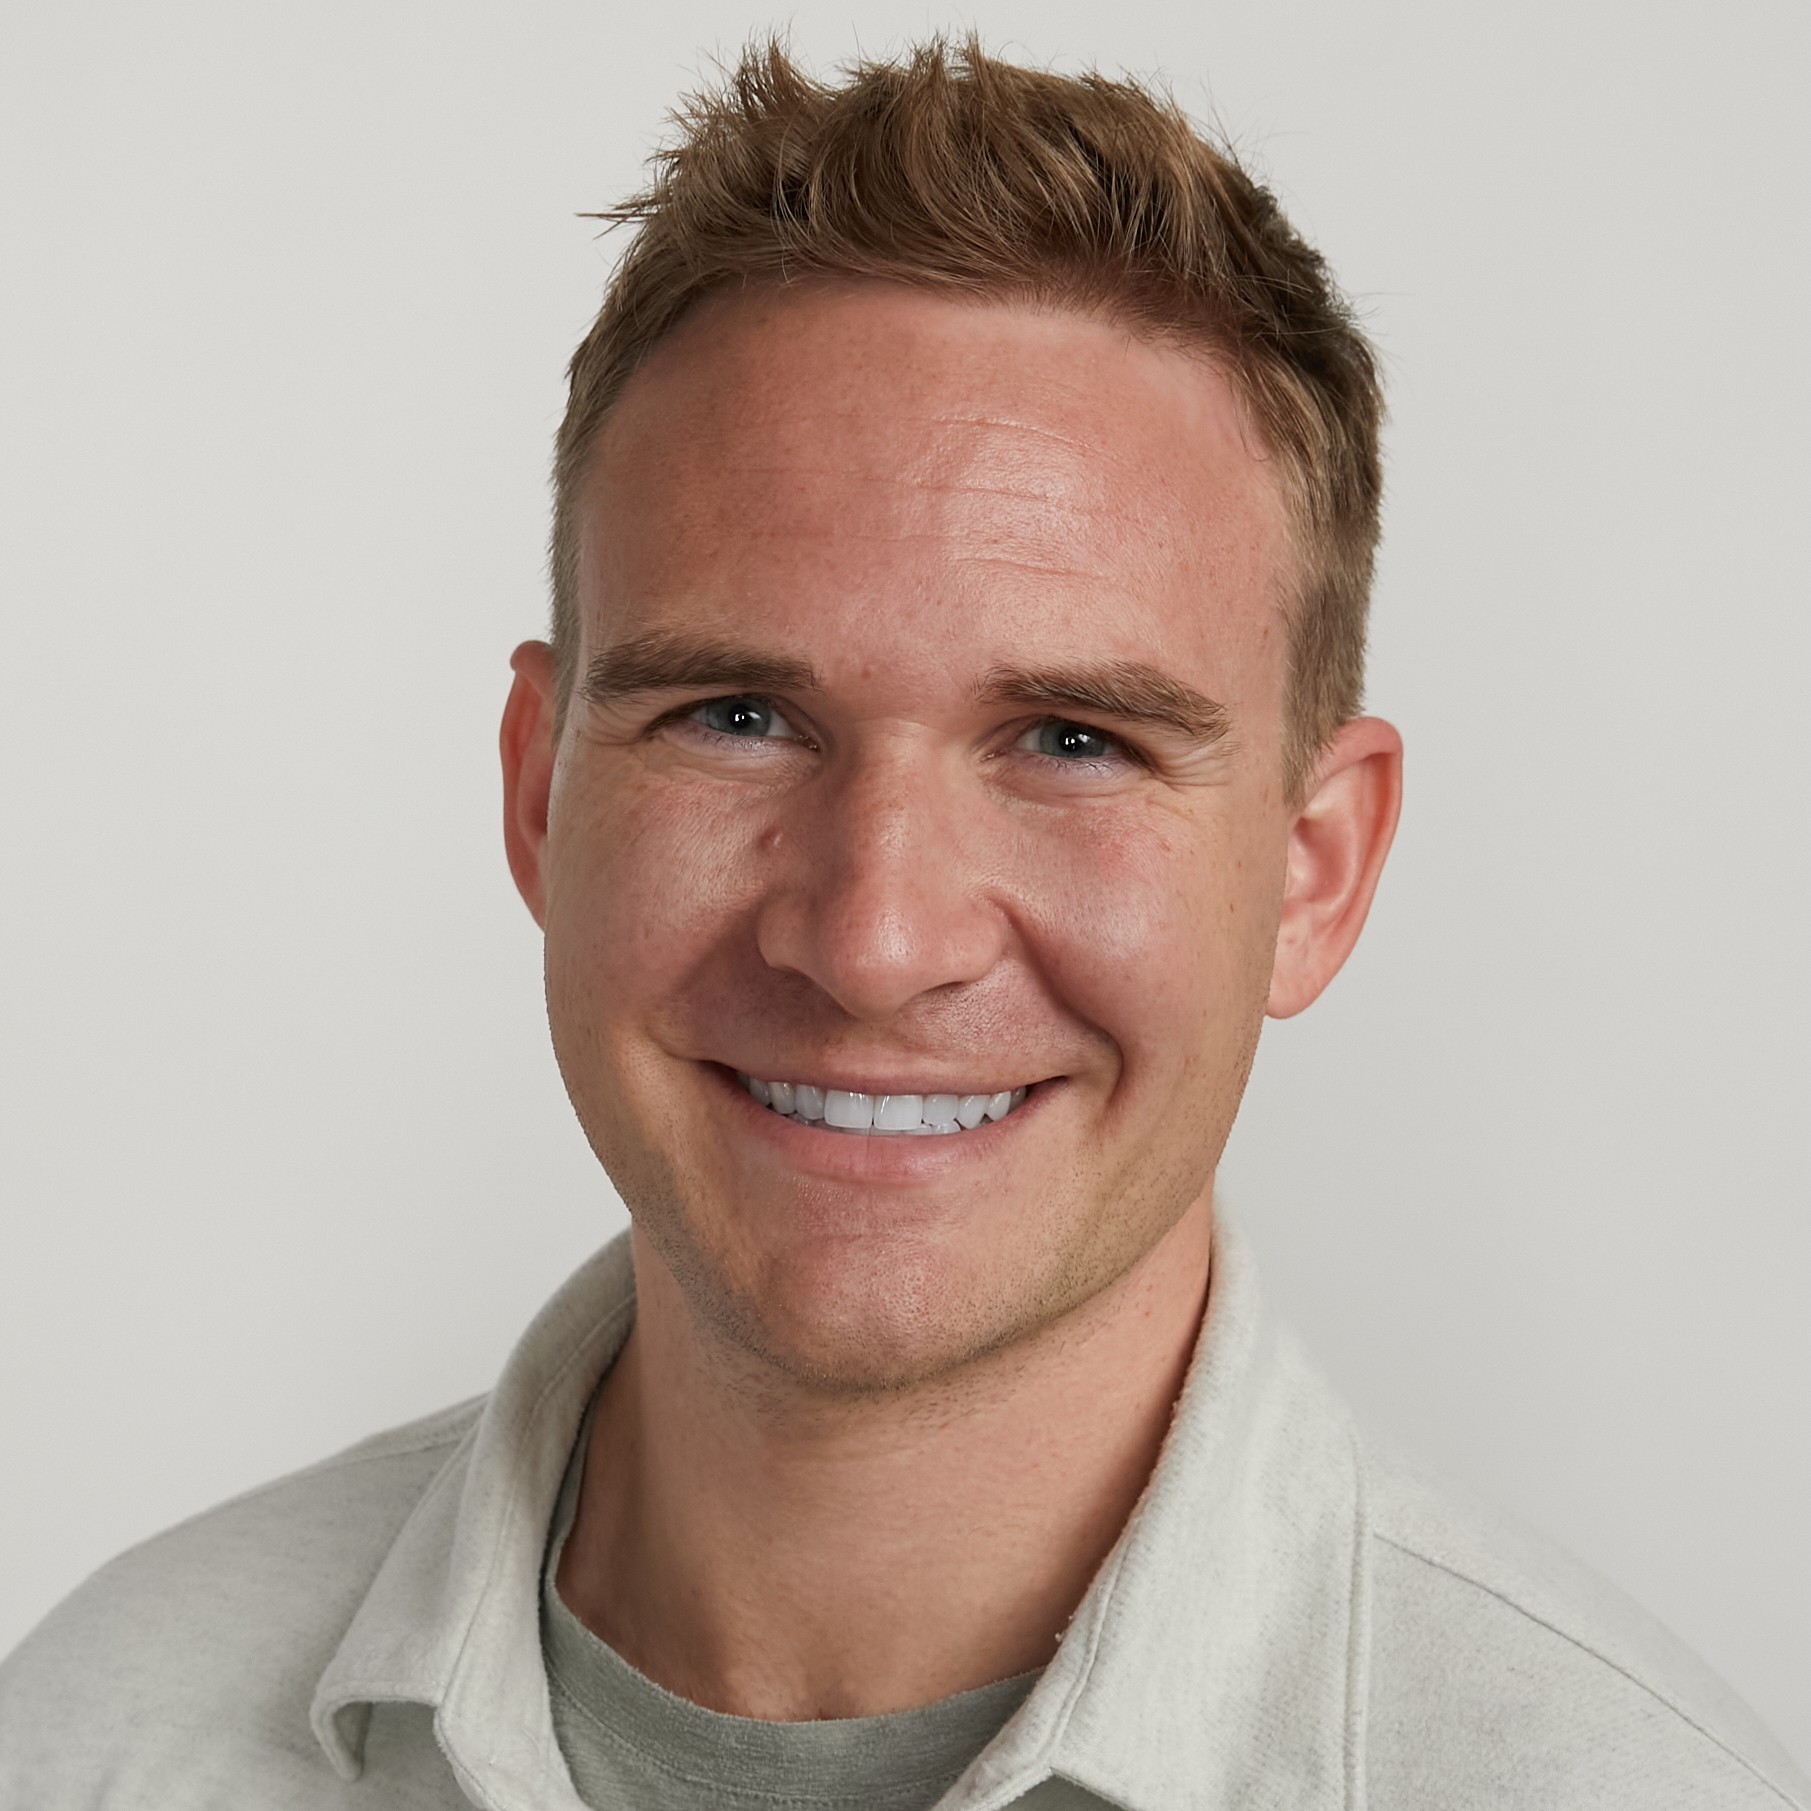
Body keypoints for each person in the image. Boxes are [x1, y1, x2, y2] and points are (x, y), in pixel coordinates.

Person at [0, 36, 1803, 1811]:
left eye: (1073, 741)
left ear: (1315, 873)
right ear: (543, 794)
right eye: (735, 717)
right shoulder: (94, 1737)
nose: (872, 940)